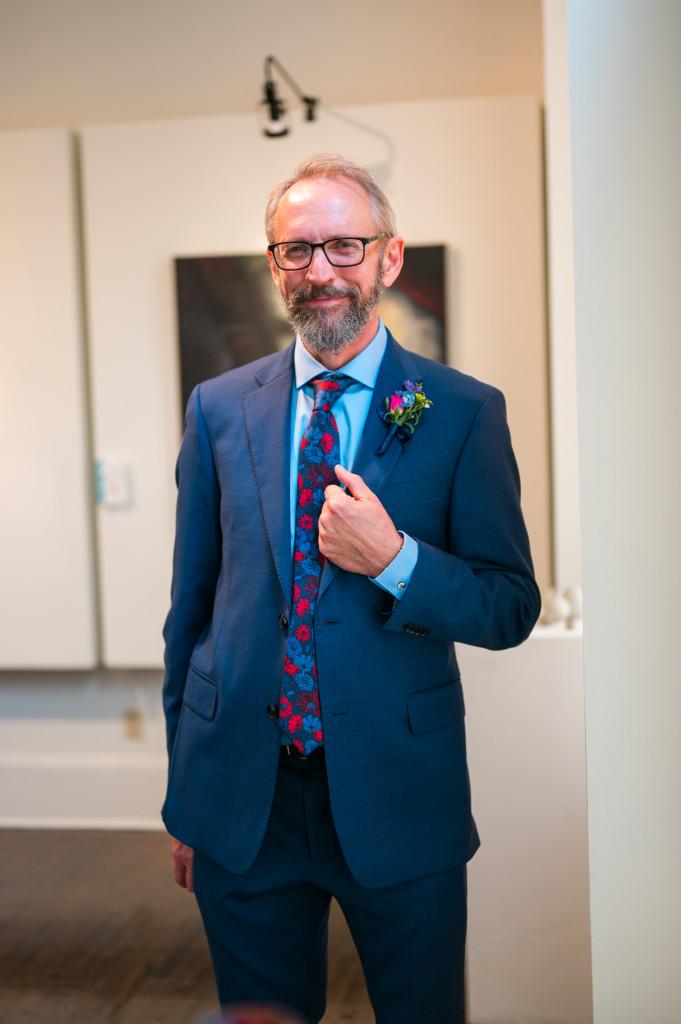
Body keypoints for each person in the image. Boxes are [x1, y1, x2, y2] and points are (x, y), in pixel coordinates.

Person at [162, 153, 540, 1024]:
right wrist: (186, 795)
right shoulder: (219, 408)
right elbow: (193, 609)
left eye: (343, 245)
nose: (320, 271)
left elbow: (507, 605)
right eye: (297, 251)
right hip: (240, 803)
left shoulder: (460, 409)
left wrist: (395, 558)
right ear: (273, 265)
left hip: (398, 795)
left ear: (389, 257)